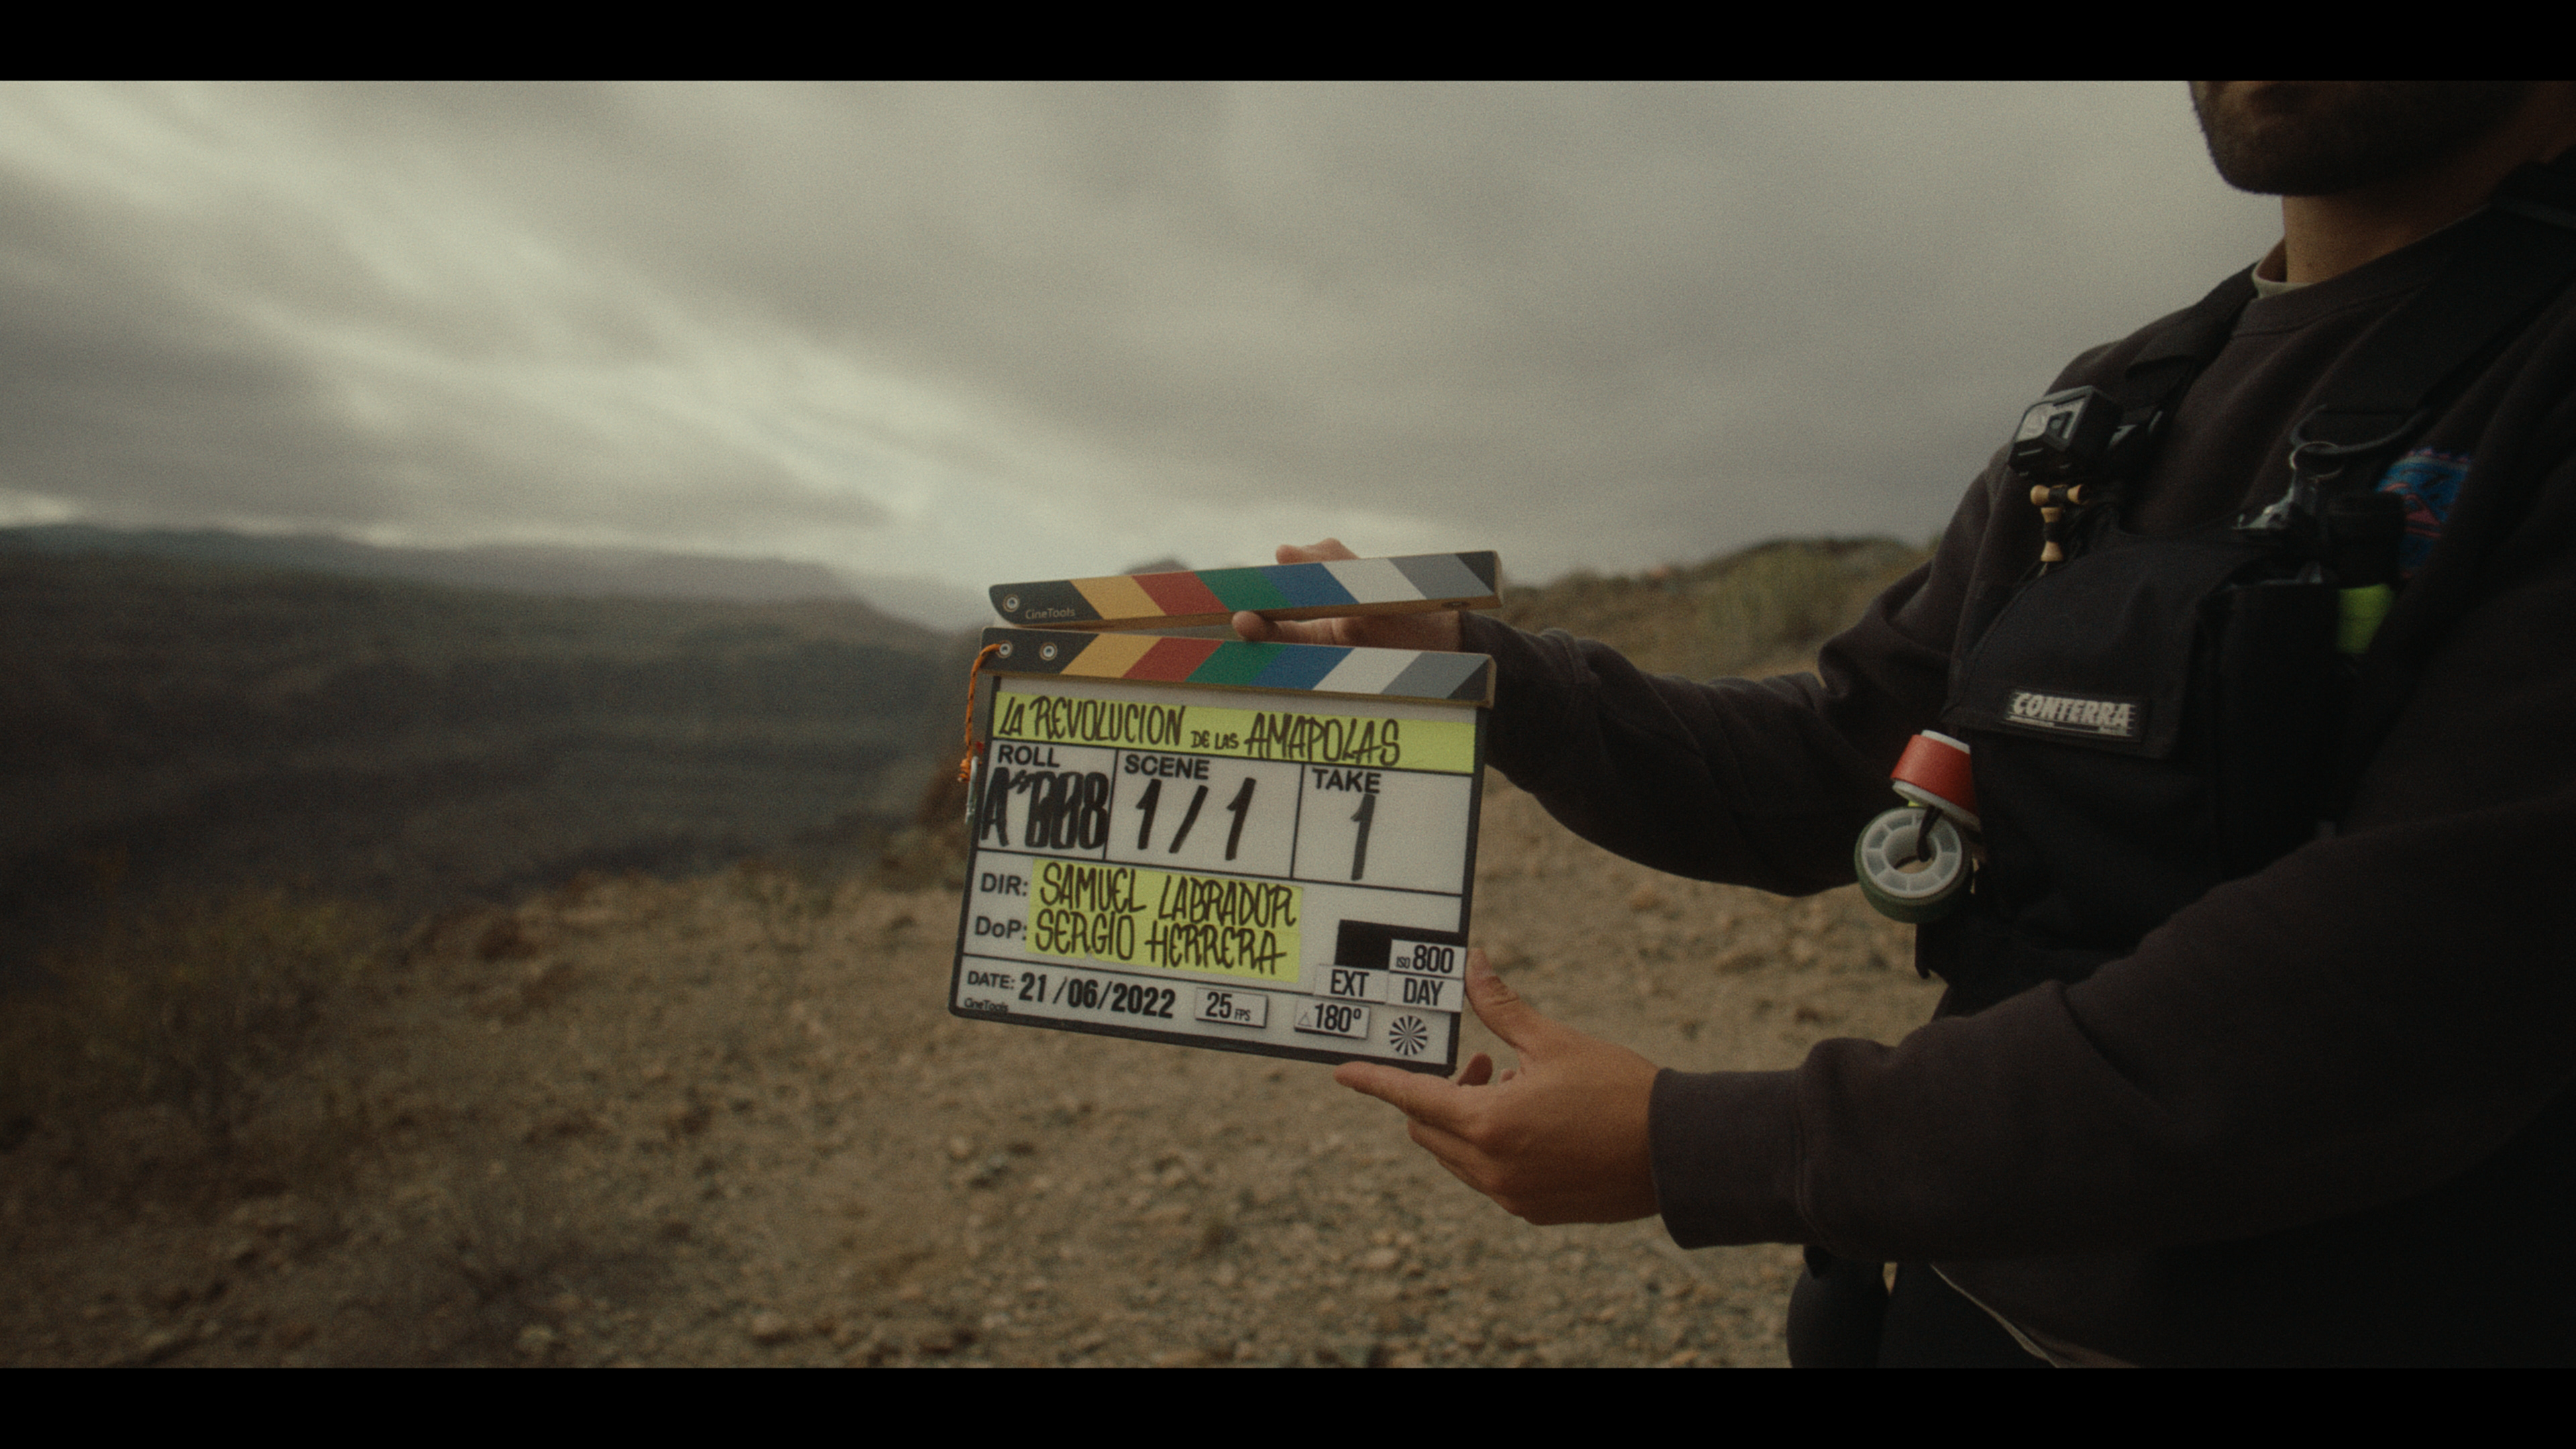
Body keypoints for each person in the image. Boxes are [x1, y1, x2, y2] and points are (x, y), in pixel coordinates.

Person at [1232, 83, 2576, 1365]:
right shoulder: (2116, 410)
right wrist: (1477, 668)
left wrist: (1700, 1145)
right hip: (1958, 1305)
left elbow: (2377, 997)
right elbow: (1835, 760)